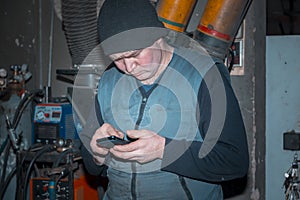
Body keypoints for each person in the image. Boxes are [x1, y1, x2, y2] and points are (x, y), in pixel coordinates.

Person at [79, 0, 249, 199]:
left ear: (157, 36)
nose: (128, 67)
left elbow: (233, 160)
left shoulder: (205, 75)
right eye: (117, 59)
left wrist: (164, 150)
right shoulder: (109, 81)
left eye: (135, 54)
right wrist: (97, 153)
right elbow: (91, 165)